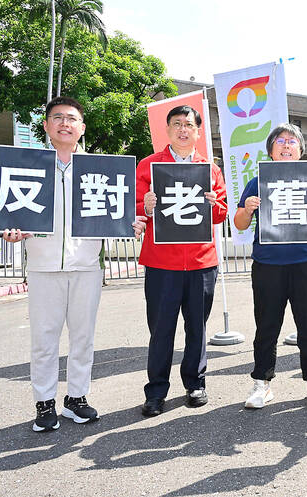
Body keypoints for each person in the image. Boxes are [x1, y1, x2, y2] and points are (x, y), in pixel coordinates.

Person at [4, 96, 146, 432]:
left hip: (86, 267)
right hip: (43, 268)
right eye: (57, 118)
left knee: (83, 338)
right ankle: (44, 402)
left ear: (82, 128)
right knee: (44, 339)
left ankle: (77, 398)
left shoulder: (100, 172)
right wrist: (10, 231)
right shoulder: (28, 168)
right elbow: (10, 214)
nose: (65, 124)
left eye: (71, 119)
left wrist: (130, 224)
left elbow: (115, 215)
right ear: (46, 126)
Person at [235, 123, 307, 409]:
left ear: (300, 150)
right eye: (280, 141)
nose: (286, 145)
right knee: (266, 326)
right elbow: (239, 223)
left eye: (292, 141)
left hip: (306, 262)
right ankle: (262, 384)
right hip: (268, 264)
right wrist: (248, 209)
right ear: (271, 150)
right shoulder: (257, 182)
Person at [136, 105, 227, 416]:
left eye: (189, 124)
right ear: (168, 129)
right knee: (161, 329)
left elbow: (221, 212)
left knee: (197, 328)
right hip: (162, 263)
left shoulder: (210, 169)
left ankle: (195, 383)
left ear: (198, 132)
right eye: (177, 124)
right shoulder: (149, 166)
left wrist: (215, 205)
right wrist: (146, 208)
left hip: (201, 262)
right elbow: (134, 207)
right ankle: (156, 391)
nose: (183, 129)